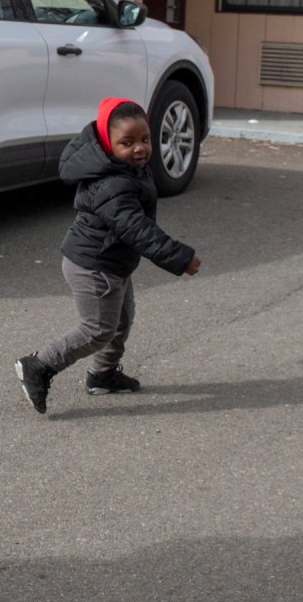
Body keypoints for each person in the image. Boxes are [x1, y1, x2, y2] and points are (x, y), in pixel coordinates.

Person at [15, 98, 201, 415]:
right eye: (126, 142)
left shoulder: (127, 168)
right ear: (107, 142)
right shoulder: (112, 183)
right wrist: (179, 257)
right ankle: (38, 364)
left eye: (144, 139)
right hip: (94, 266)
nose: (139, 148)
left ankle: (103, 375)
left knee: (122, 320)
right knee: (98, 329)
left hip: (112, 263)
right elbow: (136, 228)